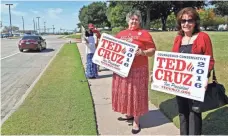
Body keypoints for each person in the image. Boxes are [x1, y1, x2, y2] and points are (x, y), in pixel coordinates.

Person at [112, 10, 156, 134]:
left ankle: (136, 121)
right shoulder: (120, 34)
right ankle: (129, 114)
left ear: (139, 21)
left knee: (136, 94)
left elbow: (152, 50)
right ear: (128, 20)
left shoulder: (144, 34)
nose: (134, 21)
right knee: (125, 93)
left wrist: (143, 52)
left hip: (139, 69)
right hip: (123, 69)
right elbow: (113, 49)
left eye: (136, 19)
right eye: (132, 19)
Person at [172, 7, 215, 135]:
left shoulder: (203, 37)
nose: (186, 24)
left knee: (194, 112)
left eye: (190, 20)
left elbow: (210, 60)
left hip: (196, 81)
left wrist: (205, 78)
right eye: (183, 21)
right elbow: (172, 60)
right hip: (180, 82)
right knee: (182, 111)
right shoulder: (178, 38)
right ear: (180, 23)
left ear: (195, 22)